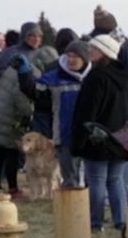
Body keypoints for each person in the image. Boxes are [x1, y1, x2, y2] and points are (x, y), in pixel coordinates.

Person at [70, 31, 128, 233]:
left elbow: (87, 110)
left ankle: (96, 222)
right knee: (115, 180)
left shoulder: (95, 77)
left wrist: (78, 140)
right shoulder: (125, 77)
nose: (90, 51)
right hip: (120, 137)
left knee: (96, 180)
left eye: (94, 49)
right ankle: (120, 219)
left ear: (104, 52)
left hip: (96, 136)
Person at [0, 34, 38, 199]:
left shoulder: (10, 69)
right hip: (10, 121)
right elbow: (21, 98)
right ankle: (13, 189)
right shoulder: (27, 74)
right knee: (12, 153)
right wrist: (30, 113)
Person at [37, 35, 91, 190]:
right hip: (65, 134)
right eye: (69, 55)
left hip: (90, 135)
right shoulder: (54, 76)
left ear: (85, 59)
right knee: (70, 180)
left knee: (93, 179)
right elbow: (34, 93)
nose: (71, 60)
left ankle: (92, 211)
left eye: (76, 56)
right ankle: (70, 211)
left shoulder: (94, 76)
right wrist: (24, 75)